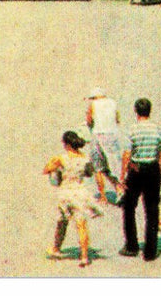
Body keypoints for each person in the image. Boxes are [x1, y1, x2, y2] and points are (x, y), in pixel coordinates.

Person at [119, 97, 161, 261]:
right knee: (152, 210)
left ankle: (132, 245)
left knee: (129, 206)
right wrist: (159, 172)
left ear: (136, 111)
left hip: (136, 169)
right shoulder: (157, 129)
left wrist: (122, 176)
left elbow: (127, 155)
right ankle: (150, 251)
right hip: (153, 170)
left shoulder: (132, 130)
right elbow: (160, 153)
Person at [43, 130, 96, 267]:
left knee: (62, 222)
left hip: (66, 193)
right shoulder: (85, 158)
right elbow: (90, 173)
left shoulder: (61, 158)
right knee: (81, 224)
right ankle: (84, 257)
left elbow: (46, 170)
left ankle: (56, 248)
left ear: (66, 144)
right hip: (79, 192)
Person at [86, 87, 124, 204]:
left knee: (98, 167)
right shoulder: (113, 103)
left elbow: (89, 121)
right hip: (112, 135)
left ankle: (103, 196)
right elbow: (117, 120)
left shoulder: (94, 104)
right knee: (112, 164)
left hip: (98, 135)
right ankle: (119, 188)